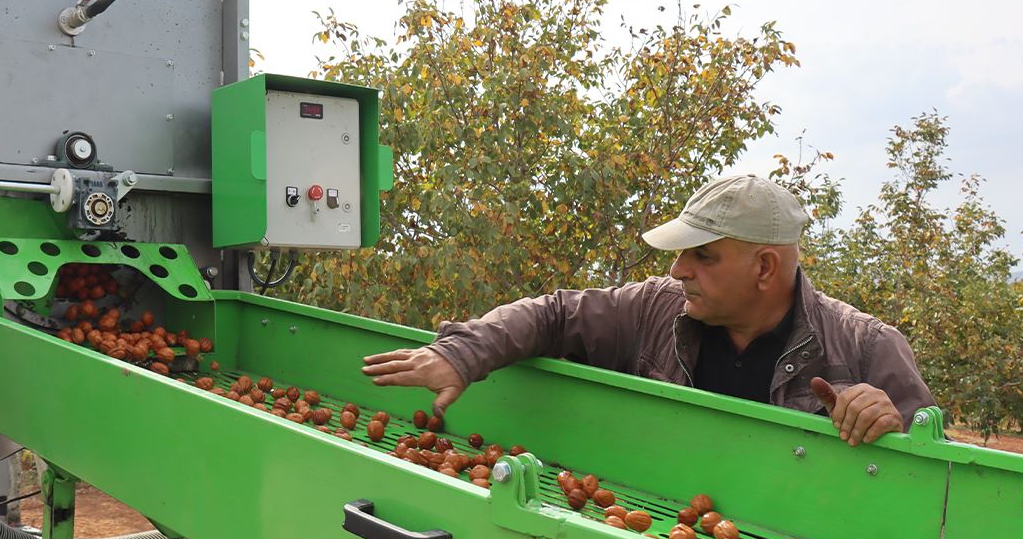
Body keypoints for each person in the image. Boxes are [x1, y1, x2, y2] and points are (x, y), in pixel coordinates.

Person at [363, 174, 935, 447]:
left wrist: (893, 426)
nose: (678, 270)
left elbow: (941, 492)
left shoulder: (865, 347)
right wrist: (463, 353)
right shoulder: (657, 310)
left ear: (764, 269)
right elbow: (556, 315)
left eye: (703, 256)